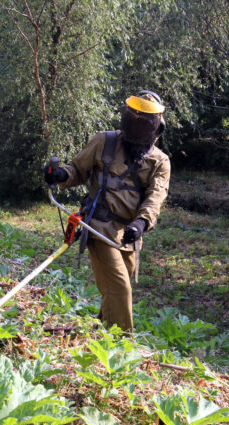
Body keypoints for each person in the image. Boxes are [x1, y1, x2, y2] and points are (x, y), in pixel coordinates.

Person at [44, 90, 171, 331]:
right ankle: (122, 348)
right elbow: (77, 170)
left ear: (156, 127)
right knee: (120, 289)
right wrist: (61, 175)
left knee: (113, 295)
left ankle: (98, 337)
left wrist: (141, 223)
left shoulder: (160, 161)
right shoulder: (105, 141)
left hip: (129, 235)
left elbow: (156, 196)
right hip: (98, 227)